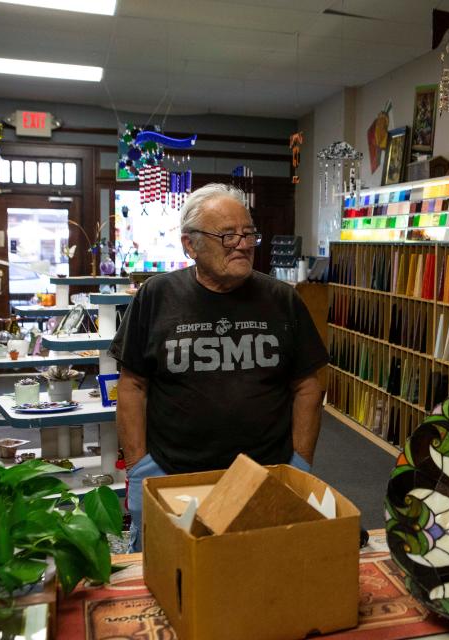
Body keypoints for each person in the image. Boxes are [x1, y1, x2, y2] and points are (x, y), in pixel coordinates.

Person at [110, 183, 327, 552]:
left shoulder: (282, 299)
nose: (242, 244)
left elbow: (309, 384)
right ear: (190, 245)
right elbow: (132, 386)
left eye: (248, 233)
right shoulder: (156, 297)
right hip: (173, 475)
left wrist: (299, 465)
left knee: (261, 579)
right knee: (168, 581)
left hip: (265, 478)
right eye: (227, 235)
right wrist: (140, 467)